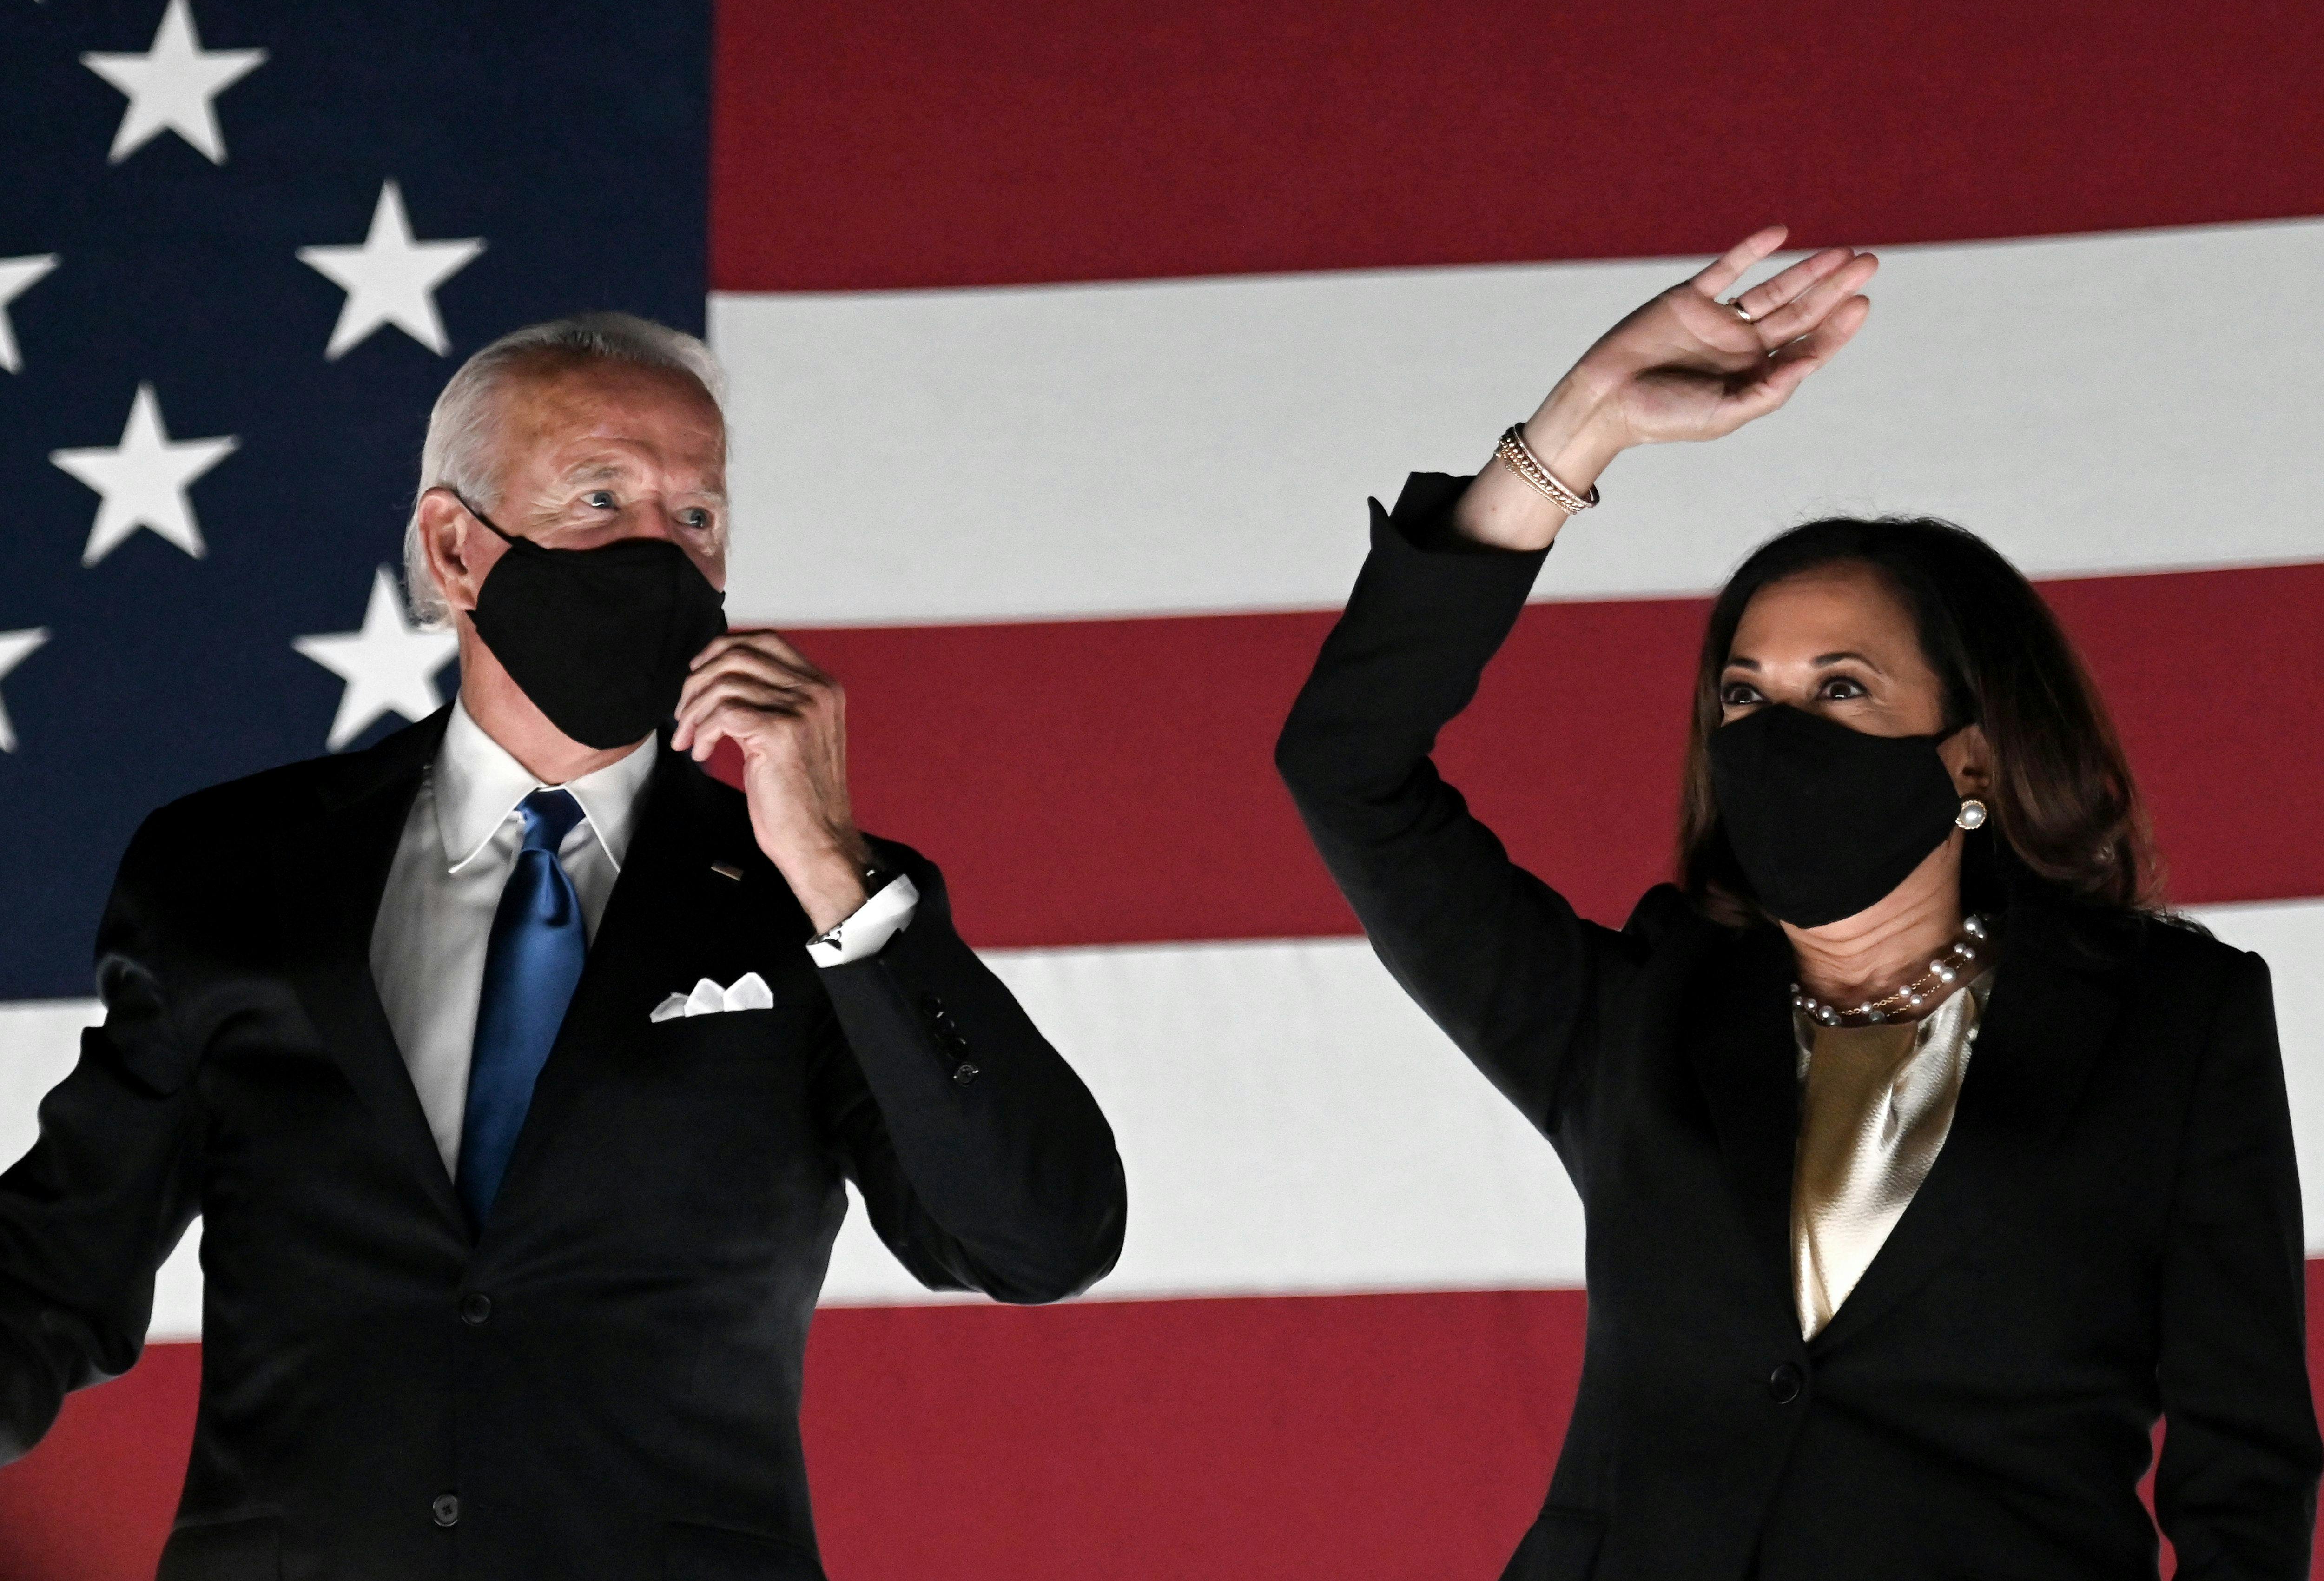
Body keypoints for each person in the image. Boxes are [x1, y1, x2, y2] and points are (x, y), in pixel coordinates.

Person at [0, 315, 1127, 1580]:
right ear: (454, 547)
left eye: (698, 517)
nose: (662, 551)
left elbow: (1043, 1236)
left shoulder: (818, 903)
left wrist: (832, 871)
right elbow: (50, 1269)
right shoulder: (227, 871)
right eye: (602, 496)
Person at [1275, 228, 2318, 1579]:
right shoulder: (1637, 1015)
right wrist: (1577, 431)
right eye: (1746, 695)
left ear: (1974, 756)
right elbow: (1345, 765)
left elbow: (2248, 1466)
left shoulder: (2175, 1020)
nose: (1778, 730)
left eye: (1841, 688)